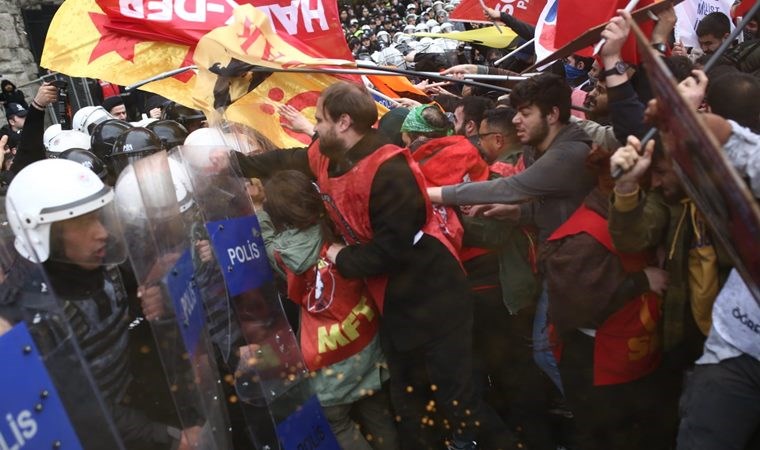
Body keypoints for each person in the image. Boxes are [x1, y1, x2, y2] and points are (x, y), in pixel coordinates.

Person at [231, 81, 519, 450]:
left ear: (344, 122)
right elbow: (288, 159)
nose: (313, 127)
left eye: (319, 120)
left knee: (455, 395)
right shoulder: (330, 154)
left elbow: (391, 249)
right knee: (409, 400)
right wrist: (237, 164)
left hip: (434, 295)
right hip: (395, 299)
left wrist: (336, 253)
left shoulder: (390, 168)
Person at [4, 158, 197, 449]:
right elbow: (79, 409)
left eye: (98, 217)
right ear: (47, 234)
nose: (102, 232)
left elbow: (142, 330)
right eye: (82, 223)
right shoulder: (27, 319)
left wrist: (161, 305)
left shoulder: (106, 269)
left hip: (140, 407)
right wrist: (170, 438)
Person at [258, 170, 399, 450]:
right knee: (378, 411)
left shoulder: (284, 253)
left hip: (328, 358)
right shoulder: (340, 225)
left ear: (280, 215)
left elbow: (265, 240)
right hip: (365, 339)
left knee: (337, 421)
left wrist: (261, 210)